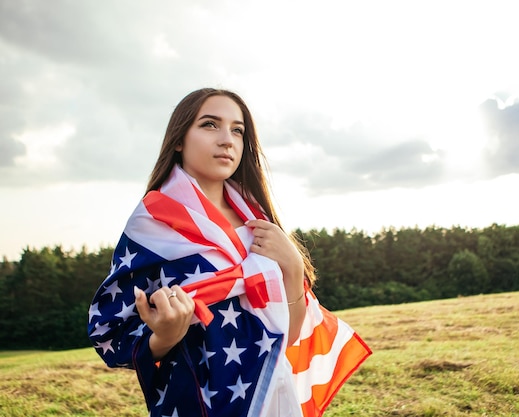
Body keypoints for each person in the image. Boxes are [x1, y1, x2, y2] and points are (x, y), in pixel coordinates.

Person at [88, 88, 371, 417]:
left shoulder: (260, 223)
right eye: (210, 125)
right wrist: (164, 336)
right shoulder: (152, 227)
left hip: (270, 400)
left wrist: (293, 268)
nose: (228, 140)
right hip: (195, 405)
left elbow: (287, 336)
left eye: (238, 130)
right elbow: (110, 336)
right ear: (179, 139)